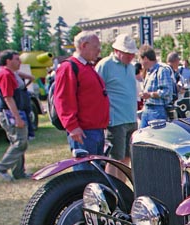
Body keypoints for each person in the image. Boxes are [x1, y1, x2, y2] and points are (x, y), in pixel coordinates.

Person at [54, 31, 110, 170]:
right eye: (96, 46)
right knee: (84, 174)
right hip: (84, 132)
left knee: (96, 172)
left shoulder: (87, 66)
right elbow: (63, 99)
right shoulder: (69, 67)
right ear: (84, 45)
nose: (99, 50)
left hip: (96, 130)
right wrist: (72, 126)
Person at [95, 33, 139, 180]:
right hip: (116, 120)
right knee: (115, 159)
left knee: (127, 157)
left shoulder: (131, 67)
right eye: (127, 54)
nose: (131, 57)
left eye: (132, 54)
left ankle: (122, 188)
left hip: (131, 118)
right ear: (117, 51)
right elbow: (96, 91)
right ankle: (112, 187)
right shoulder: (105, 65)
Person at [0, 50, 31, 181]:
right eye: (16, 59)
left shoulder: (10, 73)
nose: (19, 62)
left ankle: (19, 172)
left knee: (18, 142)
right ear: (8, 61)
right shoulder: (5, 75)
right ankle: (1, 167)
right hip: (9, 113)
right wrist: (17, 118)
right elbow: (8, 98)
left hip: (12, 112)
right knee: (20, 143)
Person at [139, 44, 175, 127]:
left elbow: (167, 91)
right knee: (143, 136)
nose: (140, 62)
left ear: (145, 58)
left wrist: (150, 94)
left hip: (157, 110)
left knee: (156, 137)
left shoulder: (162, 70)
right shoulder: (149, 72)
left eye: (140, 59)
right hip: (147, 108)